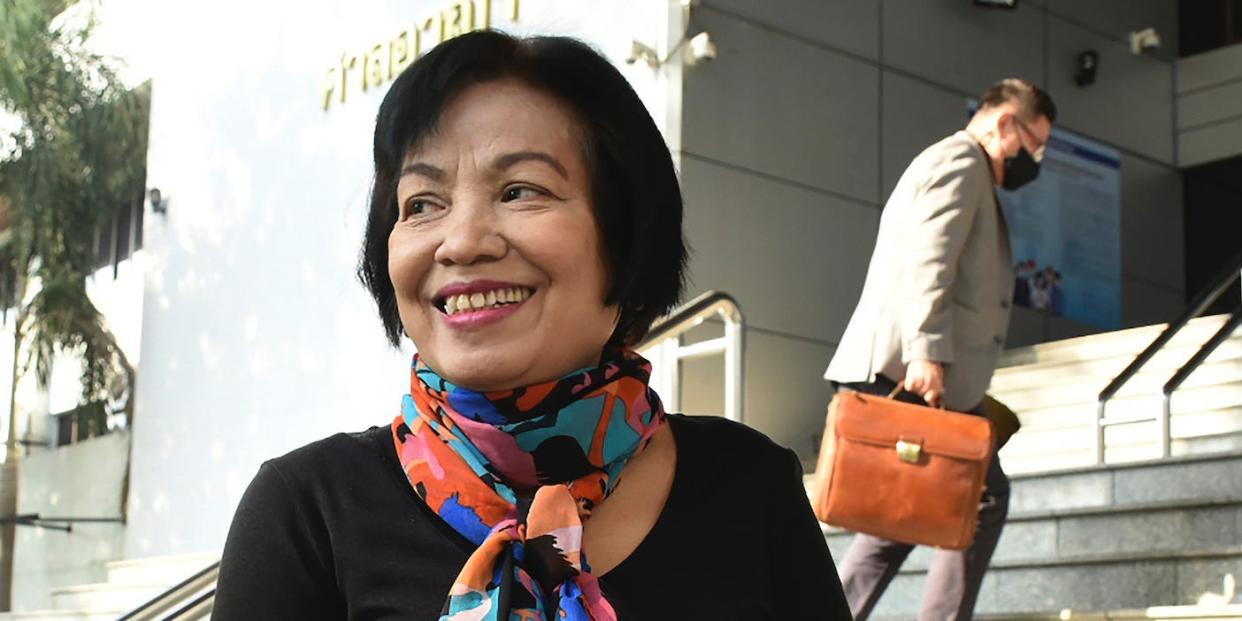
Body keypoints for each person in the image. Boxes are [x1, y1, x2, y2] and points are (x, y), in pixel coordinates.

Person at [214, 31, 851, 620]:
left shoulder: (748, 484)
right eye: (422, 203)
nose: (461, 242)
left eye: (521, 190)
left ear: (626, 233)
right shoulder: (305, 511)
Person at [823, 78, 1056, 620]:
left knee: (913, 511)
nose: (1034, 159)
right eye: (1034, 144)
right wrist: (926, 352)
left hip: (926, 370)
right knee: (978, 496)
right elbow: (930, 259)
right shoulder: (962, 162)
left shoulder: (961, 165)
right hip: (917, 369)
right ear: (1004, 124)